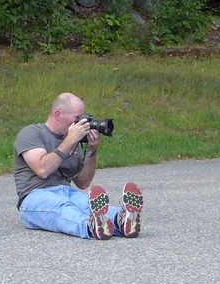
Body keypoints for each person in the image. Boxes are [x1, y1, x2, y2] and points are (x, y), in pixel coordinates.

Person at [14, 92, 143, 240]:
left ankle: (121, 220)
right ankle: (90, 226)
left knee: (86, 204)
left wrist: (91, 150)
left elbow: (83, 182)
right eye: (78, 118)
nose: (83, 123)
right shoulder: (32, 133)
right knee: (63, 208)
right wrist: (70, 140)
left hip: (67, 192)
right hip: (34, 197)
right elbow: (42, 170)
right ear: (58, 115)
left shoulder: (74, 141)